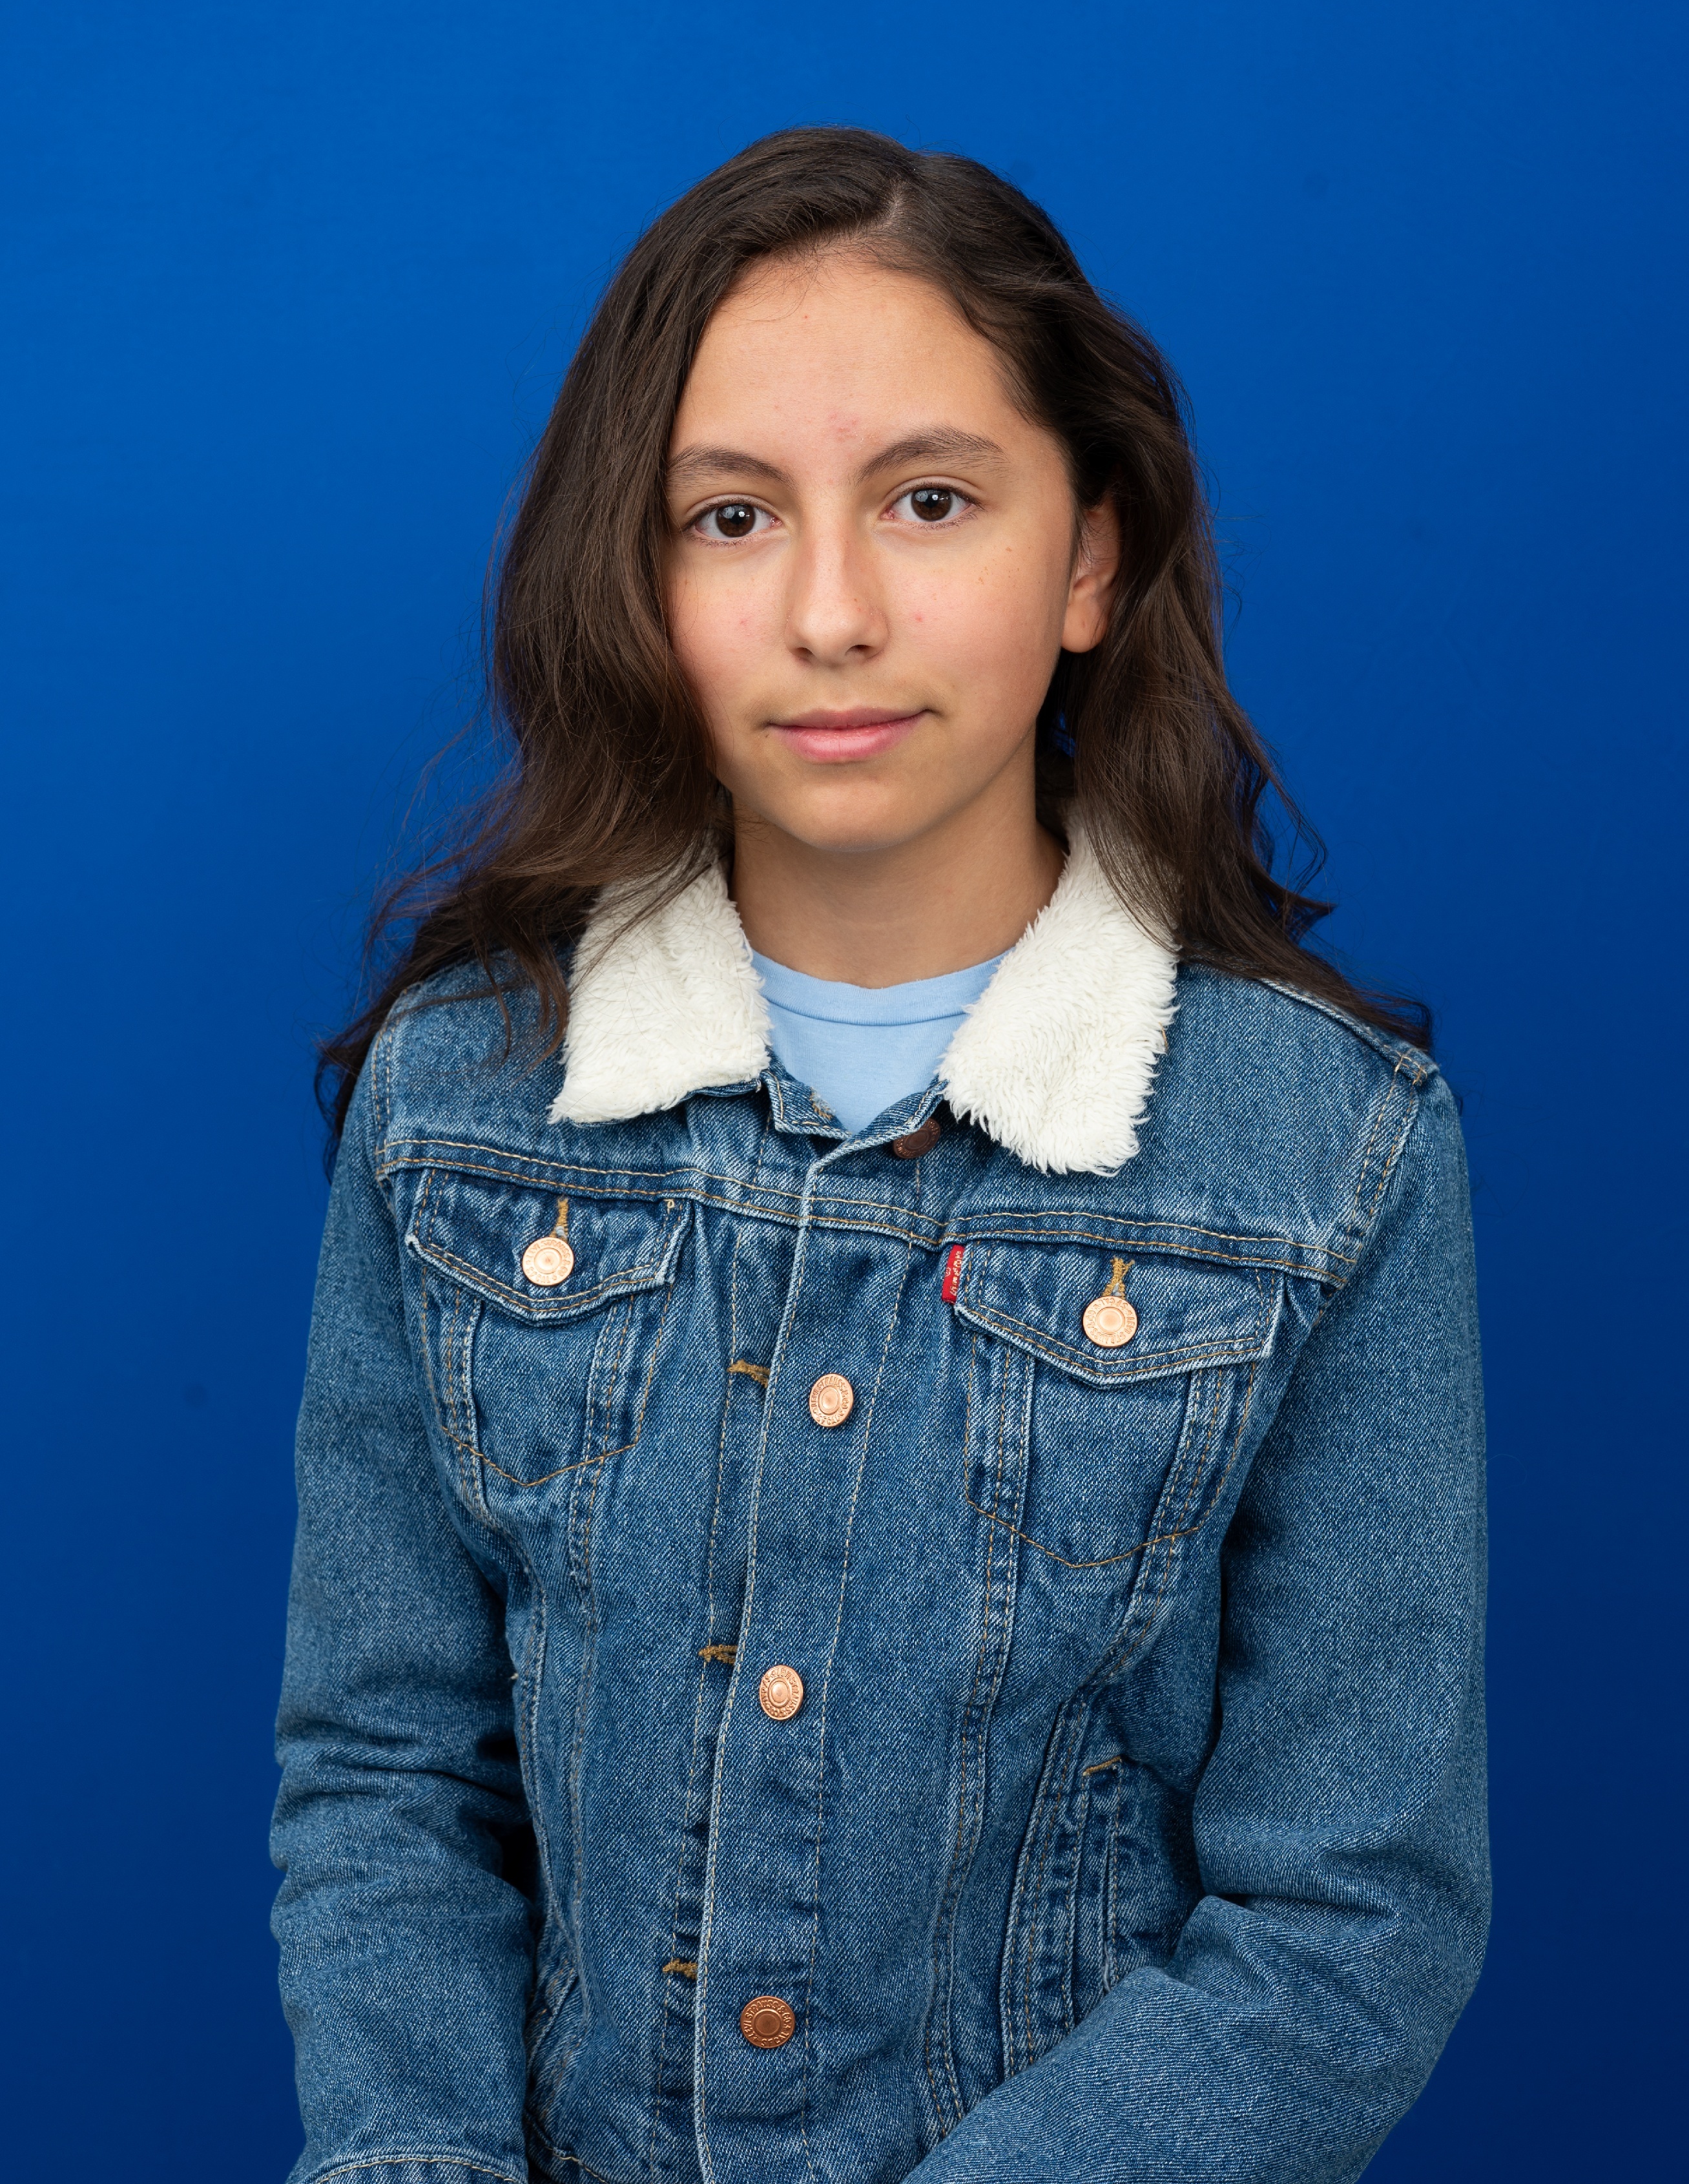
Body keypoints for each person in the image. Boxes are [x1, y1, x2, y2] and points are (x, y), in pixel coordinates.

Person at [273, 127, 1488, 2184]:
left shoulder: (1331, 1152)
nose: (830, 612)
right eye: (732, 515)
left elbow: (1348, 1920)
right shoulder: (456, 1100)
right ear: (640, 577)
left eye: (931, 500)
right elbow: (387, 1778)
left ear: (1089, 557)